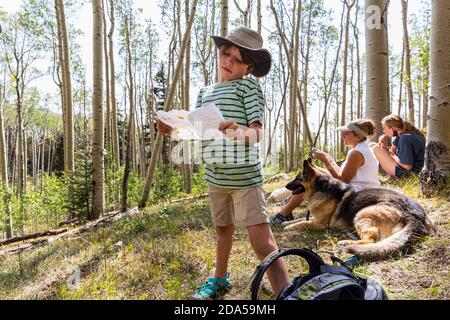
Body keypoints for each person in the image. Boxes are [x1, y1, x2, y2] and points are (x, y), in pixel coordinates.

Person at [157, 27, 289, 300]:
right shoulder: (205, 92)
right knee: (222, 230)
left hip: (244, 179)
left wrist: (236, 132)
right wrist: (172, 130)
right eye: (225, 53)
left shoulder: (249, 87)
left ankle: (286, 292)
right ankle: (219, 277)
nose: (228, 61)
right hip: (216, 176)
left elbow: (256, 133)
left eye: (237, 59)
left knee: (262, 243)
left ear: (249, 66)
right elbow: (197, 131)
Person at [270, 119, 380, 225]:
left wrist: (326, 160)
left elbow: (343, 179)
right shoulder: (359, 149)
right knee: (312, 173)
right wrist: (328, 159)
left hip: (358, 194)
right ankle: (288, 207)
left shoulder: (357, 153)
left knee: (311, 181)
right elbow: (342, 173)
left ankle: (283, 214)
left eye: (346, 134)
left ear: (358, 136)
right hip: (357, 190)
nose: (343, 136)